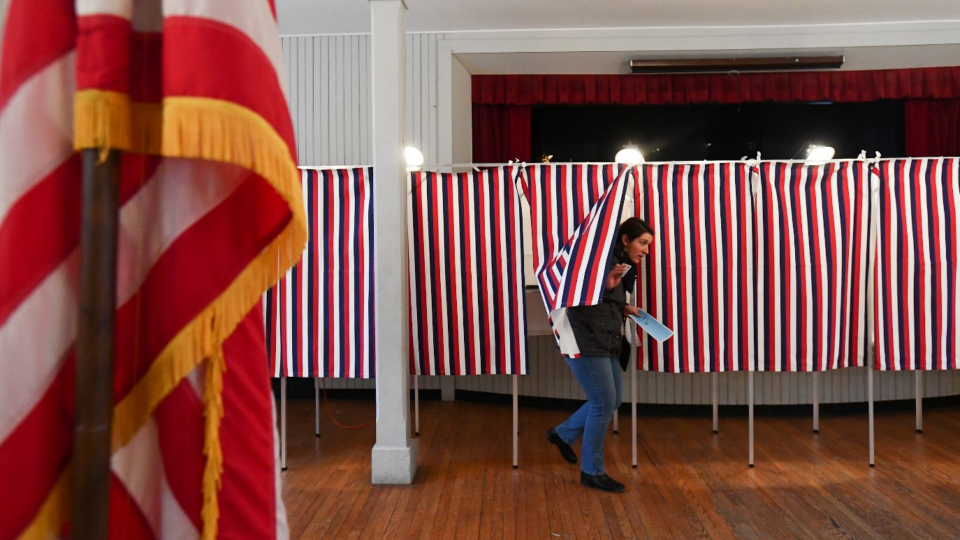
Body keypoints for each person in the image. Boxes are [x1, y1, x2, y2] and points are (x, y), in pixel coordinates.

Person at [546, 217, 654, 493]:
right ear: (626, 239)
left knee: (613, 399)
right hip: (587, 340)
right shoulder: (599, 260)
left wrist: (624, 308)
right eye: (642, 243)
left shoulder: (620, 265)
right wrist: (604, 283)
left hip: (607, 340)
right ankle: (591, 471)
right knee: (603, 402)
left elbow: (607, 298)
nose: (646, 250)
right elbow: (580, 292)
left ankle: (562, 434)